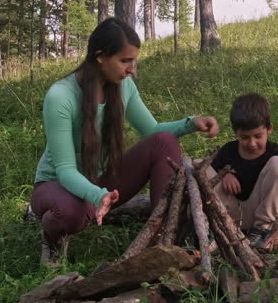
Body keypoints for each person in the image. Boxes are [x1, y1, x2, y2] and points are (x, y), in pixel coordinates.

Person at [31, 18, 219, 266]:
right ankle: (52, 239)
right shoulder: (61, 96)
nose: (132, 69)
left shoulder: (124, 86)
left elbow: (152, 131)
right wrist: (97, 195)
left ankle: (162, 238)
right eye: (125, 61)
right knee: (69, 213)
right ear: (100, 56)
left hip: (101, 180)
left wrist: (191, 123)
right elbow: (65, 170)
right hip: (57, 184)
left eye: (133, 61)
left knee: (163, 142)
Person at [208, 93, 278, 250]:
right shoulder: (227, 151)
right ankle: (211, 231)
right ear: (235, 132)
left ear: (269, 129)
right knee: (198, 166)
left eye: (258, 136)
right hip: (230, 215)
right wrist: (223, 175)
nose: (252, 143)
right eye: (244, 137)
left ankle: (260, 233)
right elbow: (209, 173)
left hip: (266, 218)